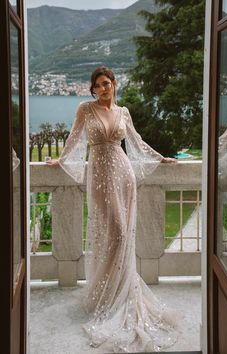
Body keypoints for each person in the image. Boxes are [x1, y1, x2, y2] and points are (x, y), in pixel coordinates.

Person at [47, 66, 179, 352]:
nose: (103, 89)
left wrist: (159, 157)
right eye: (98, 86)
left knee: (123, 236)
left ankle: (121, 291)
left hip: (124, 174)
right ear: (92, 90)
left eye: (106, 84)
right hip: (99, 176)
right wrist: (61, 160)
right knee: (114, 234)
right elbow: (74, 138)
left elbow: (135, 141)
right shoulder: (85, 109)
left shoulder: (124, 112)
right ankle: (106, 293)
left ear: (114, 84)